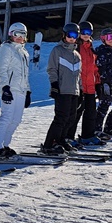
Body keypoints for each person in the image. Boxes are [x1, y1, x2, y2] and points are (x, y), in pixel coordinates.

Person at [0, 23, 31, 158]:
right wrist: (5, 87)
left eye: (22, 34)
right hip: (10, 89)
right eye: (17, 34)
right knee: (6, 117)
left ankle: (4, 145)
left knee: (16, 119)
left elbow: (25, 74)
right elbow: (2, 69)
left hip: (21, 90)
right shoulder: (6, 48)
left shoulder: (24, 52)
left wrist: (28, 91)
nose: (19, 37)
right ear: (11, 35)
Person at [41, 23, 82, 154]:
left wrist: (80, 90)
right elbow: (52, 69)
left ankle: (61, 140)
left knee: (71, 118)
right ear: (64, 35)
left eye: (75, 35)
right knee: (61, 118)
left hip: (74, 91)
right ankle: (49, 144)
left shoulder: (77, 55)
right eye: (70, 35)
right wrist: (54, 85)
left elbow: (79, 75)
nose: (72, 38)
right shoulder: (57, 50)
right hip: (62, 90)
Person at [72, 23, 102, 145]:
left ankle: (88, 135)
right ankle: (68, 136)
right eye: (83, 32)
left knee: (91, 112)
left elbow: (94, 68)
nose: (86, 35)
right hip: (79, 86)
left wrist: (98, 84)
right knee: (76, 112)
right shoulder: (76, 47)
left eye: (88, 32)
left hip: (90, 87)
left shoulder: (91, 48)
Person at [95, 28, 112, 137]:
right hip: (105, 84)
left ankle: (110, 127)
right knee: (104, 105)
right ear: (103, 39)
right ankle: (96, 129)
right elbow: (100, 69)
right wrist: (103, 83)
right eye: (109, 37)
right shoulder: (101, 51)